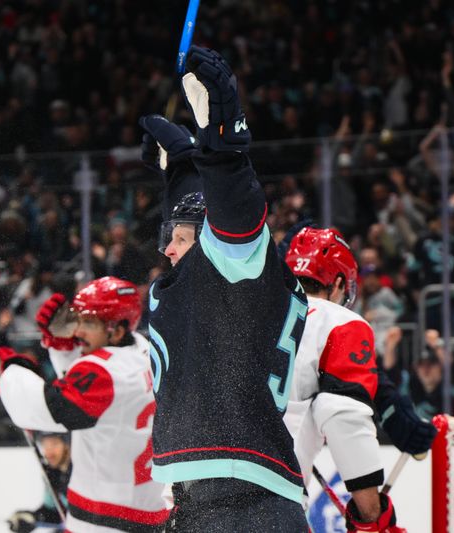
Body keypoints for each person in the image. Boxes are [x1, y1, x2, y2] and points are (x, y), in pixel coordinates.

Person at [139, 46, 309, 531]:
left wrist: (223, 136)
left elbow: (232, 216)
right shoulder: (209, 283)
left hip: (246, 501)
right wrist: (182, 171)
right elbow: (199, 229)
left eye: (180, 239)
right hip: (210, 499)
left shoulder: (236, 264)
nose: (167, 250)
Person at [0, 277, 170, 532]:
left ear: (117, 330)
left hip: (103, 519)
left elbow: (49, 408)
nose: (78, 331)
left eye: (88, 323)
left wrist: (9, 371)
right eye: (78, 320)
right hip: (147, 513)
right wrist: (62, 347)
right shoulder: (143, 350)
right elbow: (100, 401)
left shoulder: (102, 374)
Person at [283, 227, 411, 532]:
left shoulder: (248, 315)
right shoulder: (339, 320)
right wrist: (371, 516)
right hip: (272, 493)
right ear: (339, 283)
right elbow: (341, 413)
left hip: (196, 483)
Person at [7, 432, 71, 533]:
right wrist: (33, 518)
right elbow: (54, 512)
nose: (48, 452)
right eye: (45, 445)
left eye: (54, 444)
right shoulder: (53, 474)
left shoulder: (83, 473)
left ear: (68, 445)